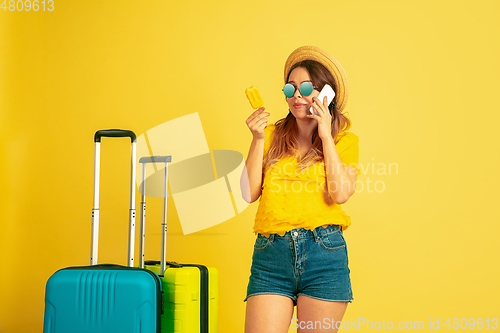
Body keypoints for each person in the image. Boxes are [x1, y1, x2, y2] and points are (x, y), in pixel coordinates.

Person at [240, 46, 361, 333]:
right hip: (271, 255)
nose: (296, 95)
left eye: (306, 87)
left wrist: (325, 136)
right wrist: (257, 139)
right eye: (290, 88)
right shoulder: (270, 135)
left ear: (326, 94)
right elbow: (248, 193)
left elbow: (340, 193)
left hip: (324, 253)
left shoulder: (345, 140)